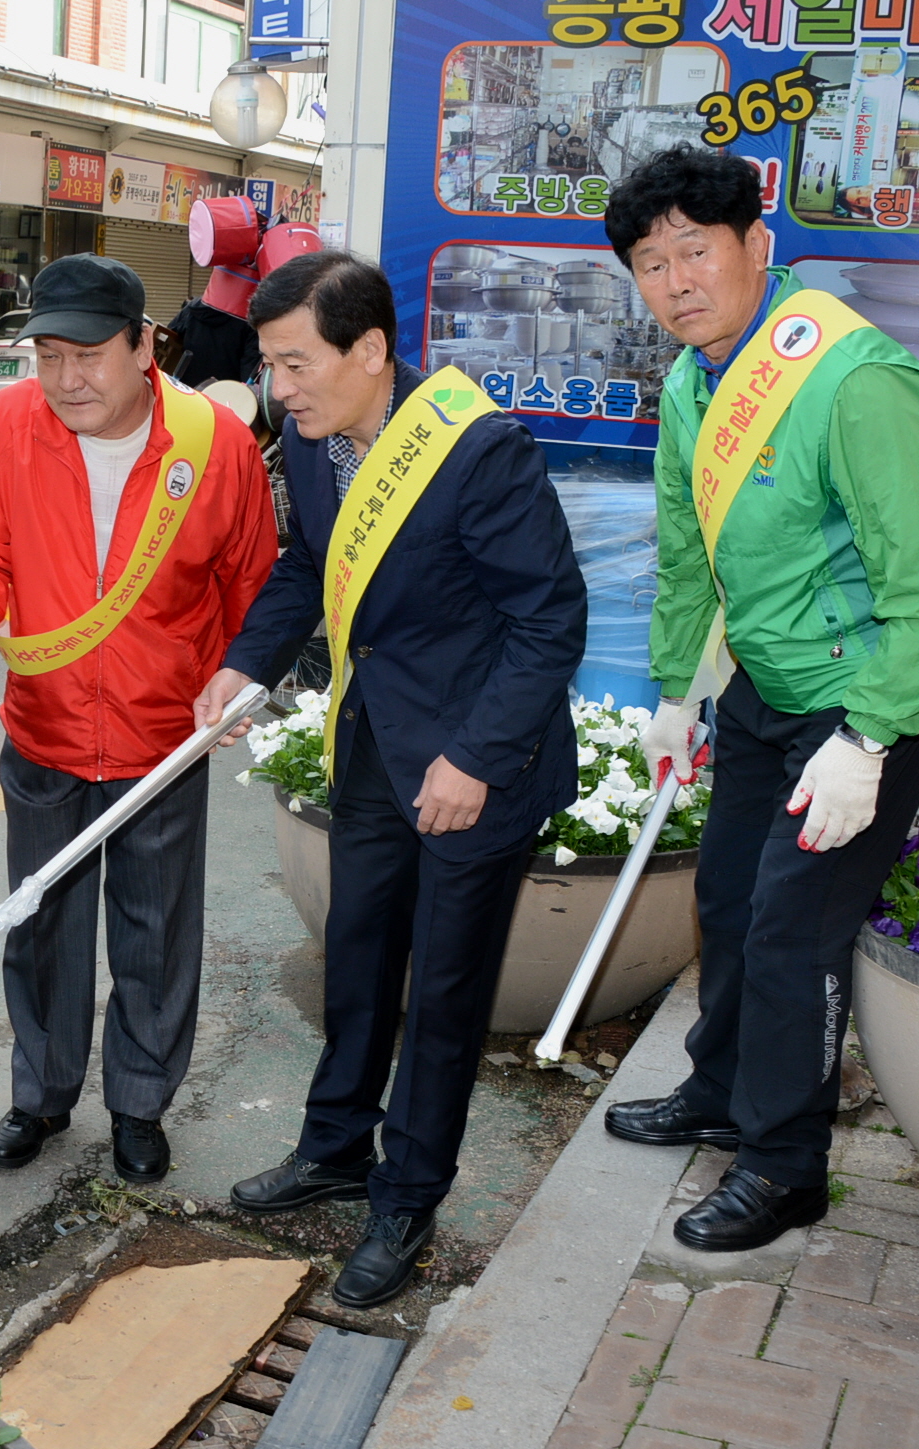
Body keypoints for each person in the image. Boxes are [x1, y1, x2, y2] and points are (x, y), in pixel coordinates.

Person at [598, 147, 919, 1251]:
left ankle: (784, 1163)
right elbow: (687, 556)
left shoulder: (853, 379)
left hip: (868, 703)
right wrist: (676, 692)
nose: (676, 282)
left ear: (756, 245)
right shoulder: (692, 380)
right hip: (764, 687)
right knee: (726, 902)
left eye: (696, 251)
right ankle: (720, 1090)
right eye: (651, 263)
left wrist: (868, 738)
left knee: (792, 932)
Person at [195, 252, 587, 1308]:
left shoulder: (479, 450)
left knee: (445, 991)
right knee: (357, 959)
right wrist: (246, 664)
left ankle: (408, 1199)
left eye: (296, 363)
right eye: (270, 366)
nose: (279, 389)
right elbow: (306, 566)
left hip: (475, 767)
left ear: (369, 350)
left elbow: (550, 621)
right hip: (374, 746)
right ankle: (334, 1147)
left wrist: (475, 759)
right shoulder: (313, 440)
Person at [0, 254, 277, 1184]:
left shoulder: (215, 443)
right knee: (40, 921)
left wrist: (238, 678)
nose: (67, 379)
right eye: (48, 357)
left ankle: (140, 1103)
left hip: (164, 736)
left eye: (88, 356)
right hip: (46, 724)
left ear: (143, 346)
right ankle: (41, 1094)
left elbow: (251, 581)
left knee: (156, 927)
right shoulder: (7, 426)